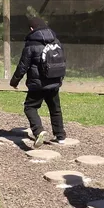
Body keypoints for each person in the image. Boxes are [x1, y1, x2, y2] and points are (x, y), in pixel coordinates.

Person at [9, 16, 66, 148]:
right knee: (55, 108)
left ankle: (38, 131)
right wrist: (60, 78)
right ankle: (60, 136)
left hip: (37, 83)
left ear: (31, 28)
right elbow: (62, 61)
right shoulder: (55, 40)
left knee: (30, 107)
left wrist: (14, 81)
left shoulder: (31, 44)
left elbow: (23, 65)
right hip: (54, 81)